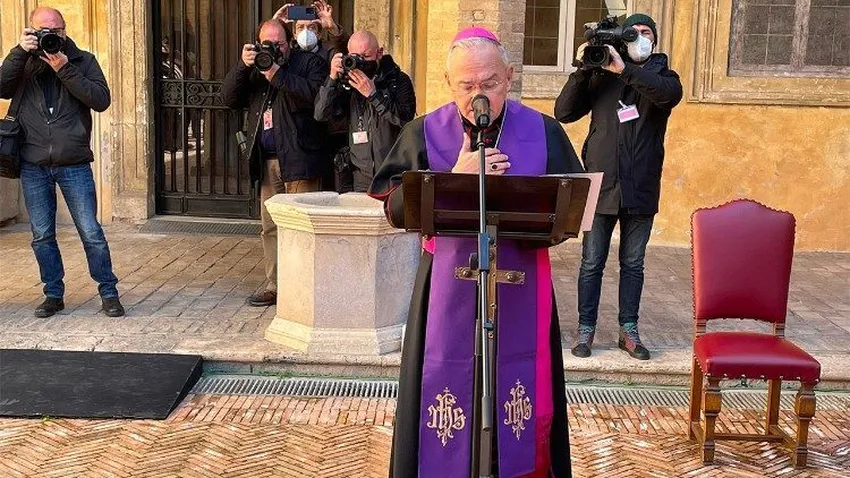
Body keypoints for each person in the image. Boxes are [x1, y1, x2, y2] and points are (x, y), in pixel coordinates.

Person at [369, 26, 583, 478]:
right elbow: (394, 207)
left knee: (517, 383)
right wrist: (454, 176)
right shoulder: (424, 132)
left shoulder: (543, 131)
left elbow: (571, 207)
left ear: (509, 77)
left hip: (522, 282)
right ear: (449, 83)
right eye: (466, 85)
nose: (477, 96)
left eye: (489, 83)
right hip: (445, 290)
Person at [554, 13, 682, 361]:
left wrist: (624, 70)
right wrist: (583, 70)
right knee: (591, 262)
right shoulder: (600, 76)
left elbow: (666, 97)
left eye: (646, 32)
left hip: (641, 186)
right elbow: (564, 113)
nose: (639, 37)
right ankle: (585, 329)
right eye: (633, 32)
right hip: (602, 185)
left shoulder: (664, 77)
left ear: (655, 40)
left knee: (633, 263)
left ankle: (628, 330)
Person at [0, 7, 124, 318]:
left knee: (91, 232)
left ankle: (108, 292)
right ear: (32, 31)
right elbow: (1, 88)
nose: (51, 36)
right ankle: (53, 294)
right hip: (33, 163)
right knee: (42, 234)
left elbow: (101, 100)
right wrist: (19, 51)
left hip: (74, 162)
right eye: (44, 31)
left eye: (56, 30)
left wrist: (65, 69)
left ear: (65, 30)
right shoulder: (23, 61)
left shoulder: (83, 61)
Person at [220, 19, 328, 307]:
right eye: (267, 43)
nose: (273, 49)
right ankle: (276, 285)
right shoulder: (255, 68)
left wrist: (277, 74)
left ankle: (304, 288)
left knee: (303, 228)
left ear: (289, 41)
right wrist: (242, 66)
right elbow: (228, 98)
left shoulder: (308, 63)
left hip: (300, 160)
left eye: (278, 44)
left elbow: (317, 98)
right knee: (270, 228)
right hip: (267, 162)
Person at [315, 30, 416, 192]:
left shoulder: (398, 80)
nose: (360, 62)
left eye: (366, 56)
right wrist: (332, 78)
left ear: (379, 53)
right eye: (355, 56)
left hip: (393, 173)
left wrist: (373, 95)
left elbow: (405, 119)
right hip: (359, 176)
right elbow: (321, 114)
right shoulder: (346, 83)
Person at [274, 0, 350, 192]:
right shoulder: (288, 53)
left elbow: (349, 53)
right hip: (294, 135)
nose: (305, 32)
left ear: (319, 32)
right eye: (300, 27)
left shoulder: (330, 52)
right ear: (293, 32)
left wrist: (333, 28)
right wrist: (276, 24)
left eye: (312, 27)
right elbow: (265, 57)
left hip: (326, 132)